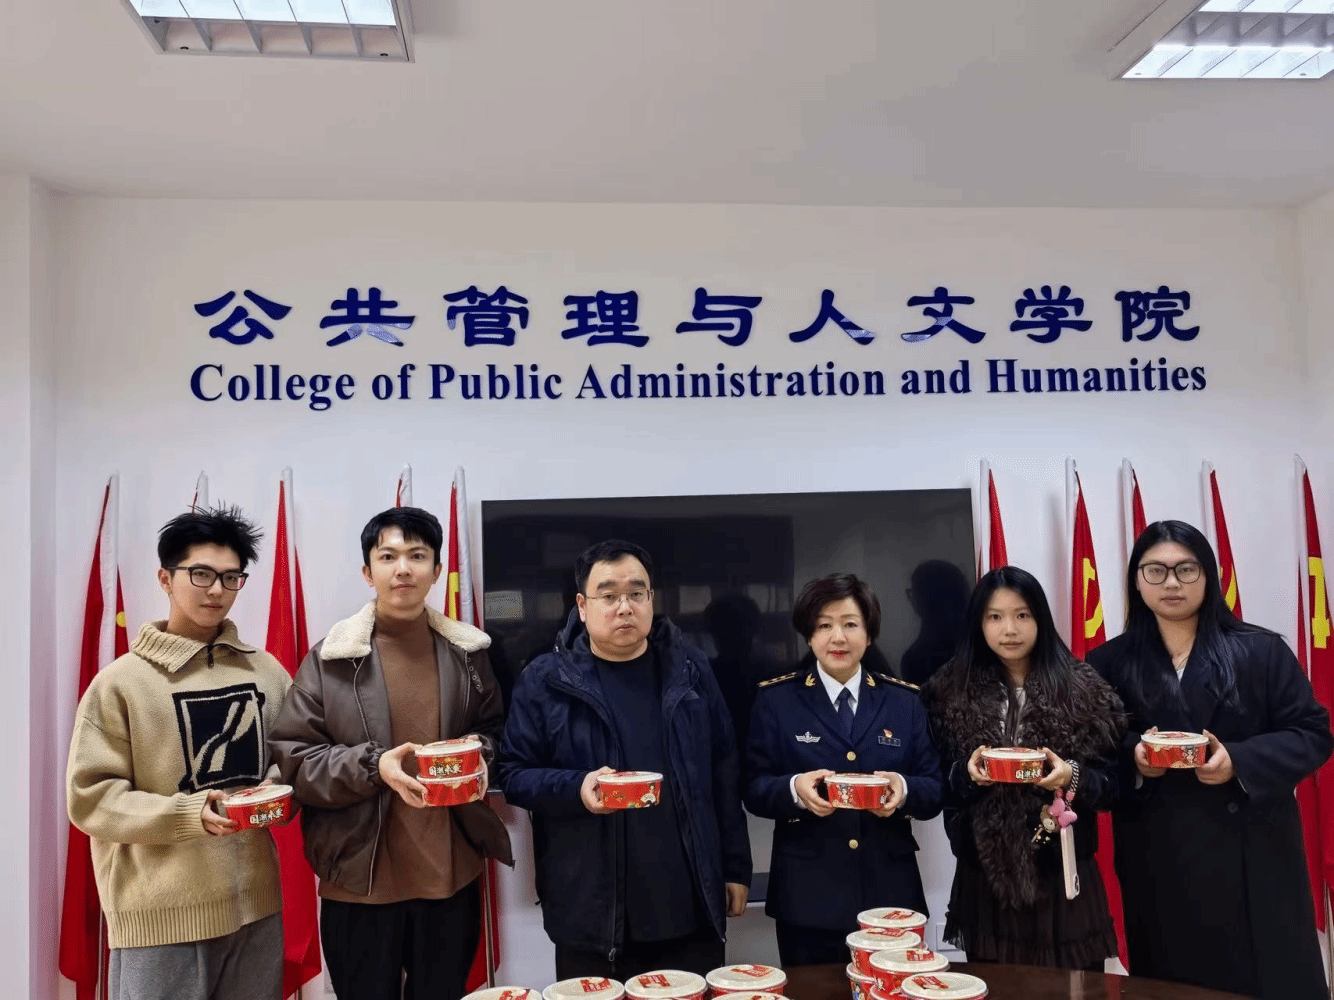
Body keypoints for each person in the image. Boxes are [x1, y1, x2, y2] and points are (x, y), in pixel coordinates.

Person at [269, 506, 512, 1000]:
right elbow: (296, 760)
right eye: (388, 556)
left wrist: (478, 753)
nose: (403, 568)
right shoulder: (331, 659)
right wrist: (373, 766)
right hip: (359, 882)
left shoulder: (469, 654)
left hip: (450, 878)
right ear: (368, 571)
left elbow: (495, 732)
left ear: (437, 571)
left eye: (417, 556)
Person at [1087, 520, 1332, 998]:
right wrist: (1135, 756)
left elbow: (1312, 733)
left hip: (1253, 858)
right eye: (1155, 570)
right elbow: (1093, 751)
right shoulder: (1108, 662)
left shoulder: (1260, 651)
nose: (1171, 582)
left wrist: (1237, 760)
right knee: (1170, 986)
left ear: (1208, 576)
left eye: (1186, 569)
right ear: (1136, 580)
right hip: (1159, 861)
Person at [498, 539, 752, 980]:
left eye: (637, 593)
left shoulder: (691, 671)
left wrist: (735, 867)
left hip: (690, 907)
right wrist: (576, 788)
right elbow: (514, 774)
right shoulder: (545, 680)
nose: (625, 607)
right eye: (609, 595)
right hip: (591, 915)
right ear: (582, 605)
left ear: (651, 599)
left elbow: (723, 773)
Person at [66, 506, 290, 1000]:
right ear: (165, 578)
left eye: (231, 577)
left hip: (256, 909)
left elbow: (291, 758)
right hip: (159, 917)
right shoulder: (120, 683)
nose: (216, 590)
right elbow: (90, 799)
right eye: (201, 574)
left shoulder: (267, 673)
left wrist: (276, 790)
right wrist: (190, 813)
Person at [923, 566, 1124, 970]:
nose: (1009, 629)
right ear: (979, 623)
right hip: (985, 878)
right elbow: (934, 784)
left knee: (1072, 991)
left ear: (1040, 619)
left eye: (1022, 615)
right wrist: (966, 775)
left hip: (1062, 874)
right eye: (995, 617)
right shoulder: (949, 692)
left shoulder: (1083, 689)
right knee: (996, 987)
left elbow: (1115, 785)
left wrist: (1072, 777)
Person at [745, 573, 943, 967]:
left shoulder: (903, 701)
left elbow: (935, 790)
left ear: (869, 634)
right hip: (807, 897)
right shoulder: (777, 701)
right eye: (824, 625)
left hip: (890, 897)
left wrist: (901, 789)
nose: (838, 637)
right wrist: (795, 789)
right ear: (808, 635)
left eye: (850, 624)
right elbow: (752, 786)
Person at [900, 559, 970, 687]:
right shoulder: (974, 644)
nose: (912, 598)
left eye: (914, 592)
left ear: (927, 597)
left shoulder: (915, 659)